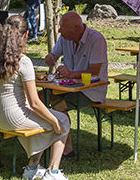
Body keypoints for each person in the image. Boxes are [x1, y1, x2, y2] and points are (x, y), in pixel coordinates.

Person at [0, 15, 77, 180]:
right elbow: (34, 102)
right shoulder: (23, 61)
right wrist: (54, 121)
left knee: (43, 119)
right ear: (26, 35)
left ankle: (32, 168)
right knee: (62, 120)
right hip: (13, 117)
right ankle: (53, 172)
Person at [43, 11, 108, 157]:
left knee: (57, 106)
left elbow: (95, 71)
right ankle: (43, 140)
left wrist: (71, 74)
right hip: (68, 86)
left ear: (77, 29)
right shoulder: (66, 37)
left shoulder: (96, 39)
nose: (59, 31)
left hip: (92, 90)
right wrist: (50, 58)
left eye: (62, 28)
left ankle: (67, 149)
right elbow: (54, 55)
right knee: (41, 98)